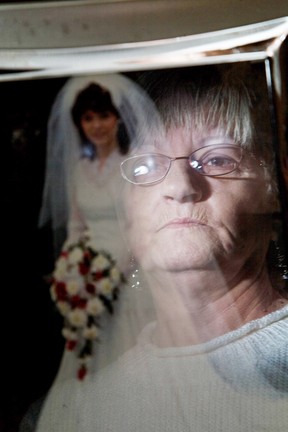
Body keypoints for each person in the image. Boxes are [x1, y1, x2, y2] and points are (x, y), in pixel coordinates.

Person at [36, 64, 288, 431]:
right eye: (144, 167)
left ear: (271, 189)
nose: (181, 186)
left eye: (218, 159)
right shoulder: (77, 413)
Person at [38, 73, 156, 383]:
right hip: (90, 275)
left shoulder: (134, 165)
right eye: (89, 118)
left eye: (104, 115)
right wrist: (70, 270)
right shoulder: (79, 170)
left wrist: (113, 272)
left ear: (117, 117)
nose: (97, 125)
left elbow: (142, 227)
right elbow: (77, 227)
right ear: (80, 123)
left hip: (131, 275)